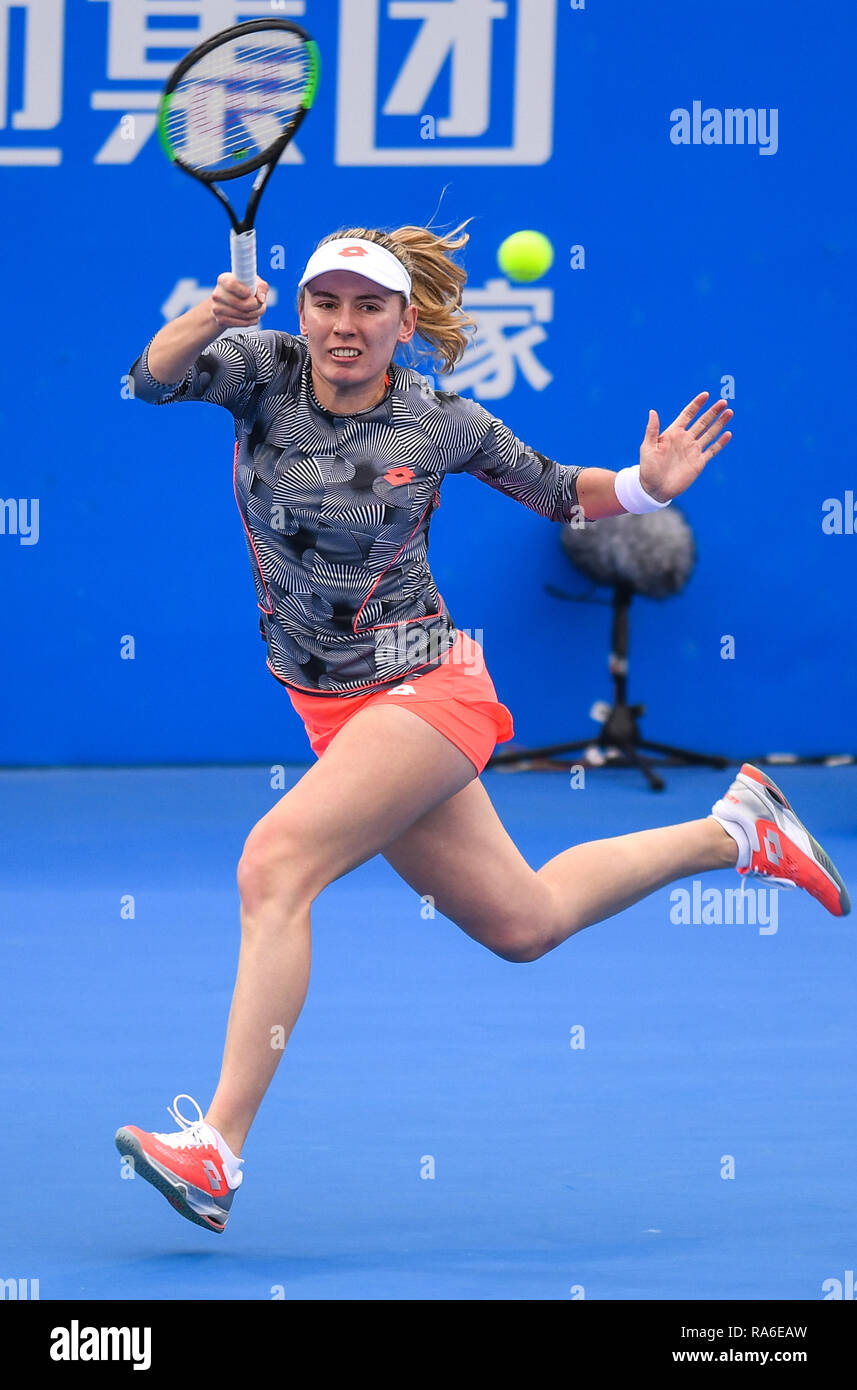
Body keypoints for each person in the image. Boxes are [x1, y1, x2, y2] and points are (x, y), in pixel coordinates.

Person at [115, 220, 850, 1233]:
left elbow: (557, 492)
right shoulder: (255, 370)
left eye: (368, 306)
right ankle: (737, 829)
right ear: (300, 312)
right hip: (330, 707)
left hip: (425, 682)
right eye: (325, 302)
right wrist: (208, 313)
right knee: (524, 922)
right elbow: (149, 381)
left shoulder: (441, 421)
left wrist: (644, 486)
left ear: (401, 322)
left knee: (273, 863)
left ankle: (217, 1149)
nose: (342, 323)